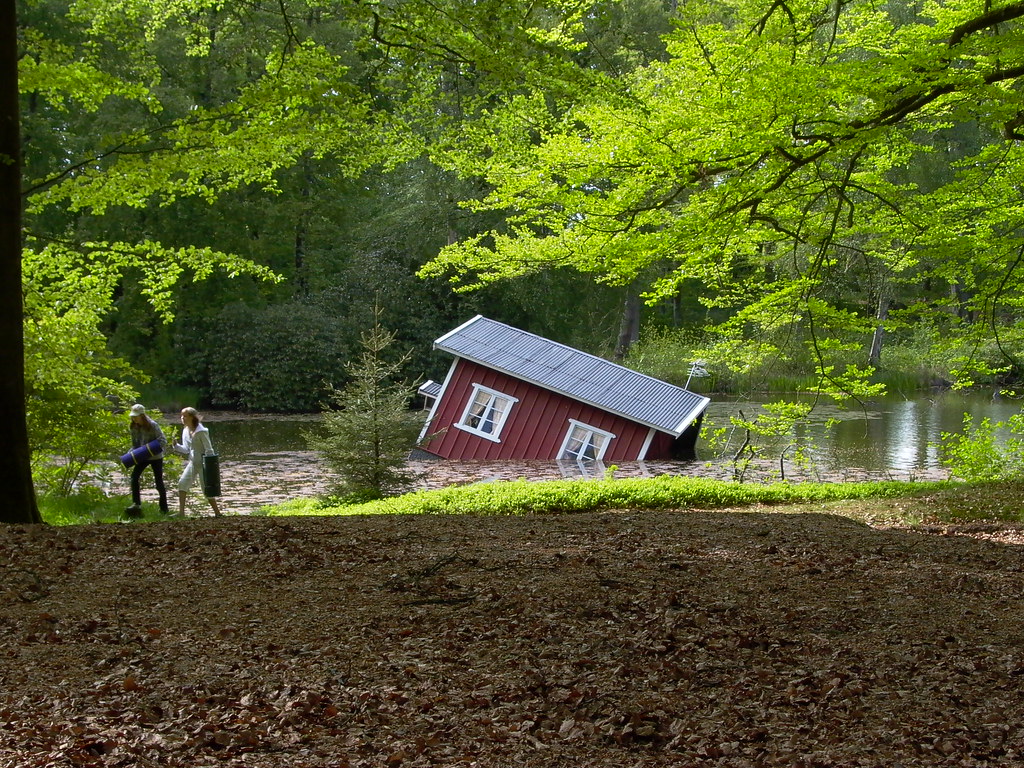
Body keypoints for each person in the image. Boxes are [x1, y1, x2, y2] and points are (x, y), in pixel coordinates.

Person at [173, 407, 222, 517]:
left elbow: (209, 449)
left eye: (185, 416)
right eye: (181, 416)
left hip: (204, 464)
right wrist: (176, 446)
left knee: (206, 489)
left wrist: (210, 468)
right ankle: (181, 513)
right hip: (193, 462)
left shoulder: (201, 431)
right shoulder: (185, 430)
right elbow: (186, 449)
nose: (182, 418)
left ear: (192, 417)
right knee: (182, 483)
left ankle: (217, 513)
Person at [126, 404, 169, 516]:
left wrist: (150, 449)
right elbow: (135, 445)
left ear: (142, 415)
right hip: (142, 457)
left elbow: (163, 440)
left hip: (156, 457)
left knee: (158, 483)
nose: (134, 418)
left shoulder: (153, 425)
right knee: (134, 478)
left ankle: (164, 510)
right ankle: (136, 504)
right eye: (133, 416)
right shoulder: (133, 427)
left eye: (136, 416)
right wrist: (130, 454)